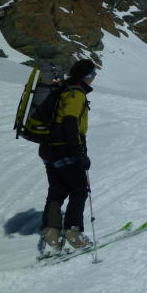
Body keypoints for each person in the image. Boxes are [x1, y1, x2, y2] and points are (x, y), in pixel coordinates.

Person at [39, 59, 96, 253]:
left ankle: (51, 233)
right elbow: (70, 121)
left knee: (57, 189)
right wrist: (78, 153)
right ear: (86, 76)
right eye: (93, 75)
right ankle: (73, 232)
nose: (94, 78)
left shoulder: (62, 89)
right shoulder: (75, 93)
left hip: (48, 148)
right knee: (79, 189)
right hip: (64, 149)